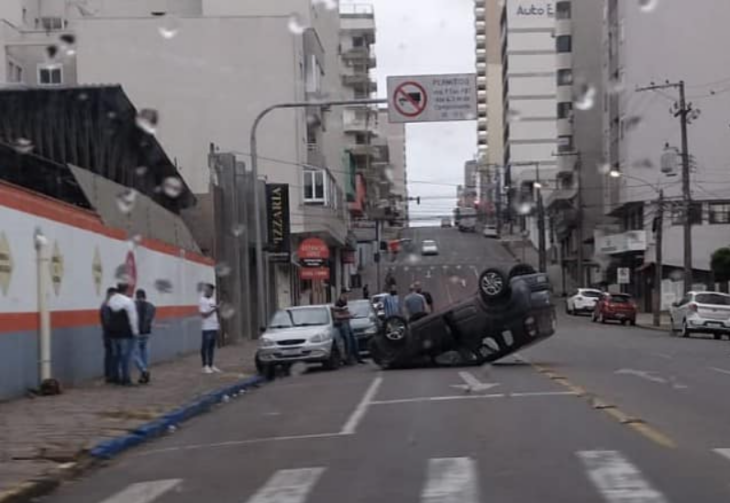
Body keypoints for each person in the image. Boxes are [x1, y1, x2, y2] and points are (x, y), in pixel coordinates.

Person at [107, 283, 139, 386]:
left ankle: (115, 377)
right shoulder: (128, 302)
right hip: (126, 332)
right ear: (126, 290)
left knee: (115, 356)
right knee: (126, 357)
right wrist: (135, 332)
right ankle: (126, 378)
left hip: (113, 332)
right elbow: (132, 319)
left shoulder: (110, 301)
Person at [333, 291, 364, 365]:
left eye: (348, 295)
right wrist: (348, 316)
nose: (347, 297)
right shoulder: (338, 303)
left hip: (347, 323)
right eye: (346, 295)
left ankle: (357, 358)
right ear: (342, 295)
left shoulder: (345, 303)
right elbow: (337, 316)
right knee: (348, 341)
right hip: (343, 324)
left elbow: (346, 312)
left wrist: (350, 314)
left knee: (354, 340)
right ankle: (348, 359)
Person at [133, 289, 156, 384]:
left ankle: (143, 370)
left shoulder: (133, 305)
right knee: (145, 354)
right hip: (147, 332)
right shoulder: (152, 307)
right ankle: (144, 374)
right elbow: (152, 320)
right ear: (145, 296)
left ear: (137, 296)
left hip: (137, 333)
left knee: (134, 354)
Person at [199, 283, 221, 374]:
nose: (211, 292)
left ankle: (211, 365)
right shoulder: (202, 300)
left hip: (214, 326)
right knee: (205, 347)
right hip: (207, 328)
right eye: (209, 290)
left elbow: (213, 309)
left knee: (212, 347)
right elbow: (204, 315)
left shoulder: (212, 300)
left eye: (212, 291)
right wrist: (215, 309)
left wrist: (218, 323)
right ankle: (205, 366)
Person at [100, 287, 116, 383]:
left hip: (108, 333)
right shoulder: (106, 306)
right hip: (109, 334)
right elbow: (107, 321)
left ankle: (110, 375)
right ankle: (109, 375)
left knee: (110, 354)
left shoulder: (106, 305)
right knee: (110, 355)